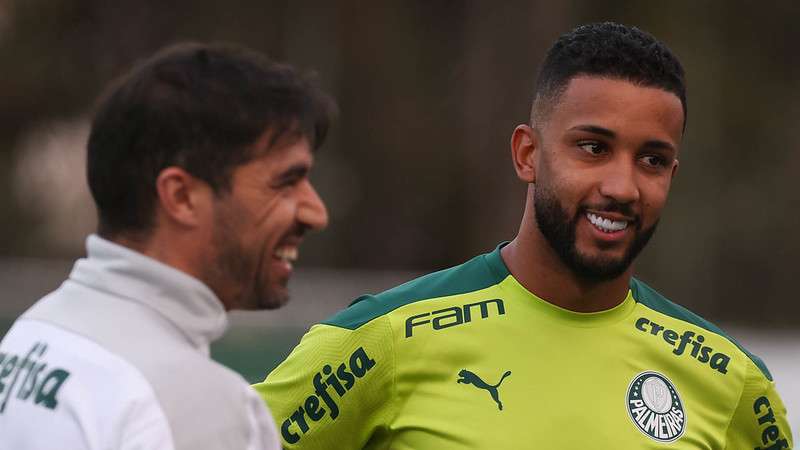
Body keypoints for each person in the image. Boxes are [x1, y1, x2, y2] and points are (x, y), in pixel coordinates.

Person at [253, 22, 793, 449]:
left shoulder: (731, 380)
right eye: (593, 147)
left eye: (652, 159)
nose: (622, 186)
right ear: (527, 154)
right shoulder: (383, 340)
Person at [0, 42, 334, 449]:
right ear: (180, 197)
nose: (316, 212)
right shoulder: (198, 405)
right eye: (286, 181)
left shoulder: (34, 334)